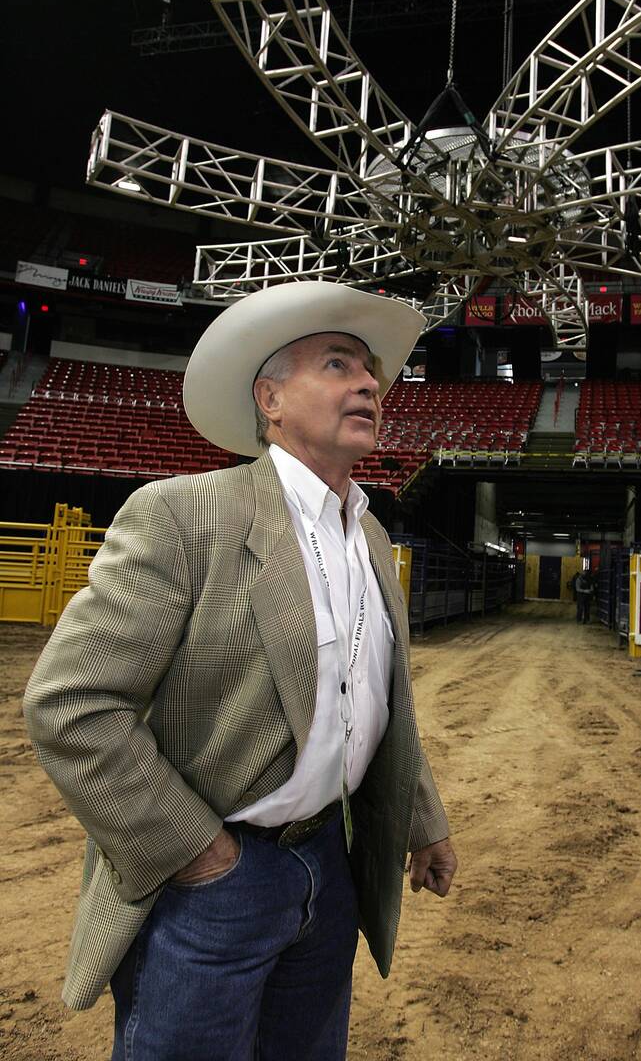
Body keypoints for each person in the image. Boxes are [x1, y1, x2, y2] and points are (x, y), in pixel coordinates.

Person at [23, 282, 457, 1060]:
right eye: (337, 364)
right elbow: (72, 704)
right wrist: (199, 854)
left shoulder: (370, 535)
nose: (368, 383)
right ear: (271, 399)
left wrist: (423, 824)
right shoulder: (187, 515)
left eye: (373, 374)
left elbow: (375, 700)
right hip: (215, 880)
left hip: (331, 866)